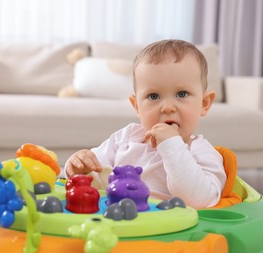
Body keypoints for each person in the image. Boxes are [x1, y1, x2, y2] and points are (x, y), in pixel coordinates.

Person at [64, 39, 226, 208]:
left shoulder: (202, 152)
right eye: (154, 96)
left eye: (182, 94)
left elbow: (201, 200)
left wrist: (172, 145)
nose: (168, 107)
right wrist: (79, 167)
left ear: (204, 103)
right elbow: (97, 176)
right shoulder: (125, 138)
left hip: (164, 229)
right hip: (116, 220)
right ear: (137, 106)